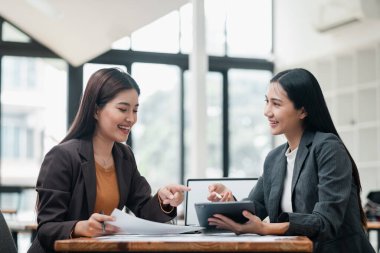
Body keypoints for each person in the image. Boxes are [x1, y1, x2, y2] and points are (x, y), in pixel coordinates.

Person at [207, 68, 374, 253]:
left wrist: (265, 228)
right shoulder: (274, 159)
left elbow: (325, 222)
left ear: (302, 111)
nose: (267, 111)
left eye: (276, 104)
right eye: (267, 102)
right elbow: (256, 209)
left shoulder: (328, 148)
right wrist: (230, 203)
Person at [28, 68, 190, 253]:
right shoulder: (62, 156)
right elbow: (47, 229)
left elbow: (144, 211)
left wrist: (163, 199)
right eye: (122, 109)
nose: (131, 118)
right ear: (96, 110)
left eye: (135, 110)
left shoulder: (124, 156)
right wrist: (82, 227)